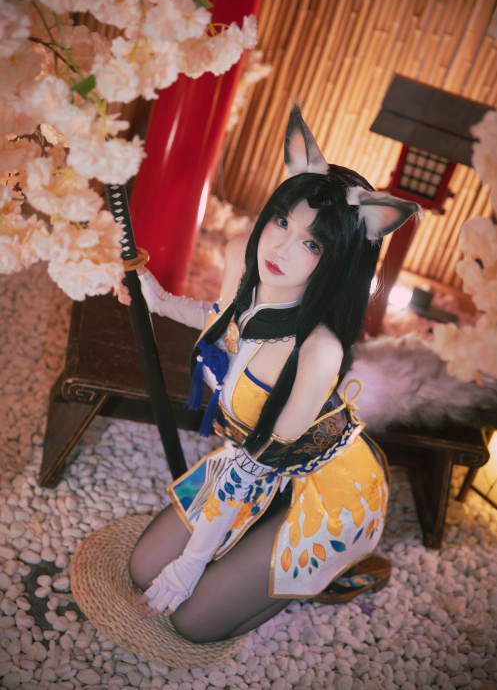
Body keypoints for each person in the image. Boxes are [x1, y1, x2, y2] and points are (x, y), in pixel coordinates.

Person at [128, 105, 421, 643]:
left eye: (312, 243)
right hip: (258, 464)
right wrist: (159, 300)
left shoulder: (318, 351)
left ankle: (328, 571)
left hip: (326, 487)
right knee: (142, 569)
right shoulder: (247, 266)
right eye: (283, 221)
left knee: (192, 622)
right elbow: (224, 321)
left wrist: (191, 564)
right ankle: (253, 547)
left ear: (341, 258)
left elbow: (250, 471)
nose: (282, 247)